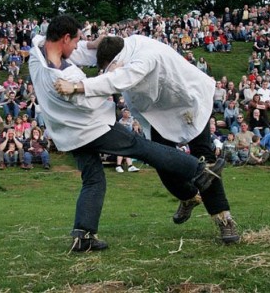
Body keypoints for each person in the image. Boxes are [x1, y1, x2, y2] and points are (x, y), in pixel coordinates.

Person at [45, 17, 237, 251]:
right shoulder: (119, 46)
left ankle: (224, 219)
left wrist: (79, 86)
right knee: (161, 160)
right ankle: (187, 196)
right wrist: (87, 44)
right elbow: (74, 50)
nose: (106, 71)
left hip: (189, 102)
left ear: (118, 62)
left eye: (108, 68)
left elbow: (119, 79)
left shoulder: (143, 57)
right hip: (158, 112)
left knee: (204, 160)